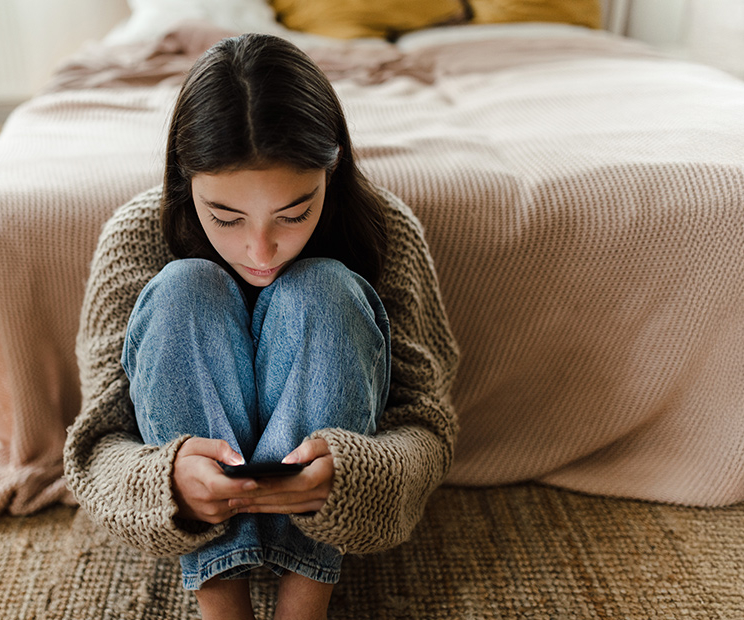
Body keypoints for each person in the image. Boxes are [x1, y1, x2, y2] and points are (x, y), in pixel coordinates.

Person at [63, 33, 458, 620]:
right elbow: (97, 446)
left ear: (334, 167)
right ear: (184, 179)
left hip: (326, 531)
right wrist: (169, 482)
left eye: (294, 212)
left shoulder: (384, 230)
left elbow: (427, 423)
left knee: (323, 284)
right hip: (197, 531)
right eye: (224, 216)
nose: (261, 249)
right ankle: (221, 603)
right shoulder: (137, 236)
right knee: (183, 286)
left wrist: (355, 475)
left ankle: (306, 601)